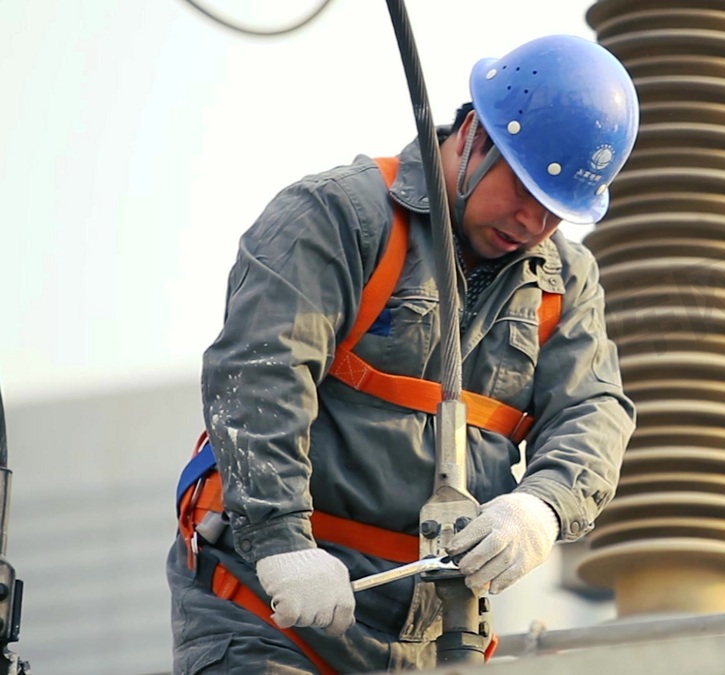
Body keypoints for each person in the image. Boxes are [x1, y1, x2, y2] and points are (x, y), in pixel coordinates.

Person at [167, 33, 639, 674]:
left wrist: (543, 505)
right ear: (474, 135)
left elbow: (593, 409)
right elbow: (259, 375)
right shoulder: (339, 217)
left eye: (556, 211)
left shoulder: (563, 281)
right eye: (524, 190)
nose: (534, 223)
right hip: (272, 611)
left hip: (431, 639)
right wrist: (281, 542)